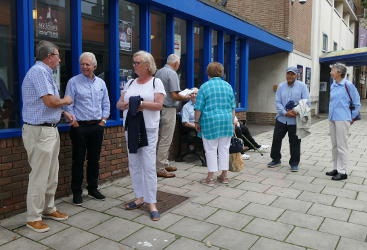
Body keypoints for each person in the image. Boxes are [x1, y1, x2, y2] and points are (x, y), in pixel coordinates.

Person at [21, 40, 73, 233]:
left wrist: (64, 113)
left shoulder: (45, 72)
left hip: (49, 129)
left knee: (52, 173)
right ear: (50, 55)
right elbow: (51, 101)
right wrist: (67, 101)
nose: (60, 60)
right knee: (40, 175)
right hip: (40, 131)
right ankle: (33, 217)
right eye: (58, 55)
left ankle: (48, 208)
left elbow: (46, 105)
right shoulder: (39, 72)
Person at [116, 50, 166, 221]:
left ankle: (152, 202)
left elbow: (159, 105)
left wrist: (141, 104)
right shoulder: (130, 83)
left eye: (137, 62)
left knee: (149, 166)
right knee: (134, 164)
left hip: (148, 130)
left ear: (147, 65)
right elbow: (119, 103)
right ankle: (139, 197)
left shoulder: (155, 82)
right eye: (134, 62)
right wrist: (126, 104)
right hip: (131, 128)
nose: (134, 65)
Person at [64, 52, 111, 205]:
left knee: (94, 160)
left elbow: (106, 103)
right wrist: (74, 122)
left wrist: (103, 120)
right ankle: (77, 192)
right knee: (78, 160)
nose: (84, 67)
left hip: (97, 126)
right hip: (80, 127)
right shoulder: (73, 82)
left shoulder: (101, 83)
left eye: (87, 64)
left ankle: (92, 188)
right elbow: (68, 104)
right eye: (82, 64)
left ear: (94, 66)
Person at [195, 62, 235, 186]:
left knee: (210, 149)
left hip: (209, 122)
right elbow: (232, 107)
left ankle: (210, 178)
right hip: (226, 121)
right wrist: (232, 121)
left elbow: (198, 108)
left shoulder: (204, 87)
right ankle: (224, 176)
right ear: (221, 73)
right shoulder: (228, 86)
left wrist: (196, 121)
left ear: (208, 73)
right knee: (224, 148)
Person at [267, 66, 310, 172]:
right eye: (288, 74)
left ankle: (294, 163)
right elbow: (277, 102)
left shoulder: (302, 86)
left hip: (295, 120)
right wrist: (285, 113)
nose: (290, 76)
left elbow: (306, 101)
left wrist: (295, 111)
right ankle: (276, 159)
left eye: (292, 74)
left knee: (295, 142)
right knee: (276, 139)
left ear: (297, 75)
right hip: (281, 119)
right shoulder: (281, 86)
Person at [155, 54, 191, 178]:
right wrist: (186, 96)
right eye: (179, 64)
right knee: (166, 138)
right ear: (176, 64)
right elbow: (175, 95)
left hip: (158, 109)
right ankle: (160, 167)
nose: (178, 66)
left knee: (160, 138)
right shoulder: (172, 73)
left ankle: (164, 163)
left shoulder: (158, 72)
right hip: (168, 109)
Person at [326, 63, 361, 181]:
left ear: (339, 73)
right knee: (334, 145)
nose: (331, 72)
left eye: (333, 70)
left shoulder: (348, 85)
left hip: (342, 118)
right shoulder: (333, 85)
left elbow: (357, 103)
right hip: (332, 118)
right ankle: (335, 168)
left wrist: (352, 117)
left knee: (342, 145)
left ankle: (343, 171)